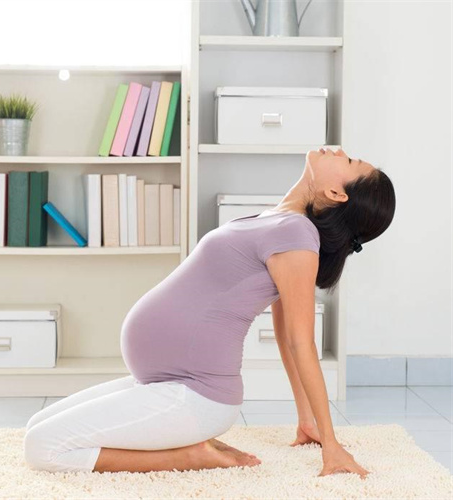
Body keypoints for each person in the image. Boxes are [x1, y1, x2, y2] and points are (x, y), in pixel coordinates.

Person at [24, 147, 396, 478]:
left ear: (336, 194)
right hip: (167, 383)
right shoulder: (278, 221)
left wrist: (330, 441)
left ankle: (187, 455)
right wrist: (305, 421)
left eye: (349, 161)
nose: (338, 150)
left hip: (195, 396)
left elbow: (300, 342)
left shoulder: (297, 237)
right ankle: (189, 443)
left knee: (42, 448)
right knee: (37, 425)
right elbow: (284, 337)